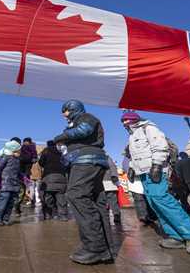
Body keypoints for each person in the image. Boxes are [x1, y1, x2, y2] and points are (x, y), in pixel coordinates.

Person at [122, 112, 190, 256]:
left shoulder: (148, 128)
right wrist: (131, 168)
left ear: (136, 119)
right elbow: (136, 155)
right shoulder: (132, 136)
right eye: (122, 121)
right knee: (154, 203)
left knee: (162, 199)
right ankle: (175, 235)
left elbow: (160, 147)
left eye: (127, 119)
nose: (124, 123)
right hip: (142, 173)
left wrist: (157, 165)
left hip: (155, 170)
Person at [54, 100, 113, 265]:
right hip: (90, 161)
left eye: (65, 110)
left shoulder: (86, 117)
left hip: (86, 160)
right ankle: (106, 247)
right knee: (97, 201)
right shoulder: (78, 120)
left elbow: (84, 130)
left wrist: (61, 137)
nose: (63, 114)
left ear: (73, 108)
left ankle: (95, 248)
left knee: (76, 196)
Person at [0, 140, 26, 225]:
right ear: (14, 150)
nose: (20, 151)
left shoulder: (17, 159)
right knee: (3, 201)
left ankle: (5, 218)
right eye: (19, 150)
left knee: (11, 203)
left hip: (14, 184)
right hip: (5, 183)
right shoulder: (5, 157)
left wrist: (23, 177)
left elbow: (17, 171)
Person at [39, 140, 68, 221]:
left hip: (49, 175)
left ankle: (49, 214)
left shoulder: (46, 151)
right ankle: (63, 216)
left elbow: (41, 162)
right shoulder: (60, 152)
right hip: (61, 176)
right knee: (61, 196)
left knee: (48, 196)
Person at [13, 137, 38, 215]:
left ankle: (15, 206)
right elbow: (34, 159)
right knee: (22, 190)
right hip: (25, 174)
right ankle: (17, 206)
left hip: (18, 172)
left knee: (18, 189)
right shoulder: (32, 148)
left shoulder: (20, 148)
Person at [103, 157, 121, 225]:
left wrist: (114, 176)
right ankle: (113, 215)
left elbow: (112, 167)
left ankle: (116, 215)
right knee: (108, 202)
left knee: (112, 201)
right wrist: (114, 176)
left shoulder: (107, 157)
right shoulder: (107, 157)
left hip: (108, 182)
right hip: (105, 182)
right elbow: (113, 167)